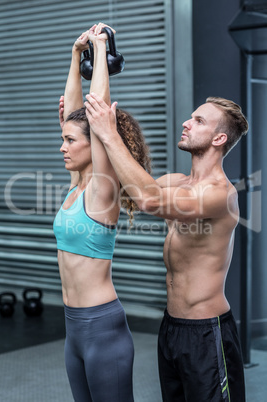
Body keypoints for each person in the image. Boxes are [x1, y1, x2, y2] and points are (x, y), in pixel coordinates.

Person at [84, 92, 248, 401]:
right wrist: (98, 129)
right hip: (172, 328)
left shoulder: (220, 195)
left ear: (218, 138)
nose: (186, 123)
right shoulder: (177, 182)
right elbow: (124, 191)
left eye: (198, 120)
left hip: (206, 331)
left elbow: (149, 199)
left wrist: (108, 134)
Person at [53, 23, 150, 402]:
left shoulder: (102, 189)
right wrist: (77, 56)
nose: (62, 146)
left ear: (94, 143)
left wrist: (100, 46)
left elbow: (94, 117)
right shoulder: (76, 185)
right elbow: (75, 115)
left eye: (69, 141)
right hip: (73, 330)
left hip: (102, 330)